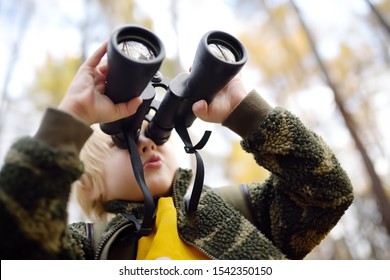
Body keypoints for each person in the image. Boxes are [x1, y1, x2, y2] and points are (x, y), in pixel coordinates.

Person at [0, 41, 353, 260]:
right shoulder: (87, 249)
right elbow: (17, 240)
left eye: (157, 131)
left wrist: (245, 113)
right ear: (90, 183)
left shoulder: (243, 210)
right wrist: (72, 118)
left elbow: (327, 193)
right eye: (121, 139)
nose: (147, 141)